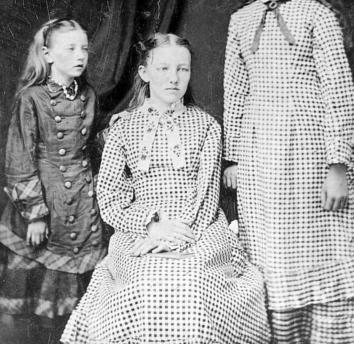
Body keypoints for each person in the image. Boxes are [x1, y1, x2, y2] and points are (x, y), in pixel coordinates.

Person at [61, 33, 271, 344]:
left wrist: (176, 235)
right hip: (140, 231)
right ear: (144, 73)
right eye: (163, 69)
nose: (174, 78)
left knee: (191, 281)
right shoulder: (123, 128)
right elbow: (109, 195)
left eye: (182, 69)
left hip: (198, 229)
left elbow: (206, 194)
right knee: (142, 282)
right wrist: (150, 227)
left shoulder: (207, 126)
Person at [223, 0, 354, 343]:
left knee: (324, 246)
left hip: (311, 154)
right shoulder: (240, 21)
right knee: (271, 254)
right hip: (262, 160)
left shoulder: (318, 16)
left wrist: (340, 164)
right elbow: (236, 94)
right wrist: (234, 156)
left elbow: (340, 94)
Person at [0, 19, 106, 343]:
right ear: (47, 54)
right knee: (35, 305)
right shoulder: (31, 98)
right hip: (47, 204)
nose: (80, 55)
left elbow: (91, 142)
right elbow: (19, 159)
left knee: (77, 308)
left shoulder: (88, 94)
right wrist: (35, 214)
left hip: (82, 201)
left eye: (84, 48)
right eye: (70, 48)